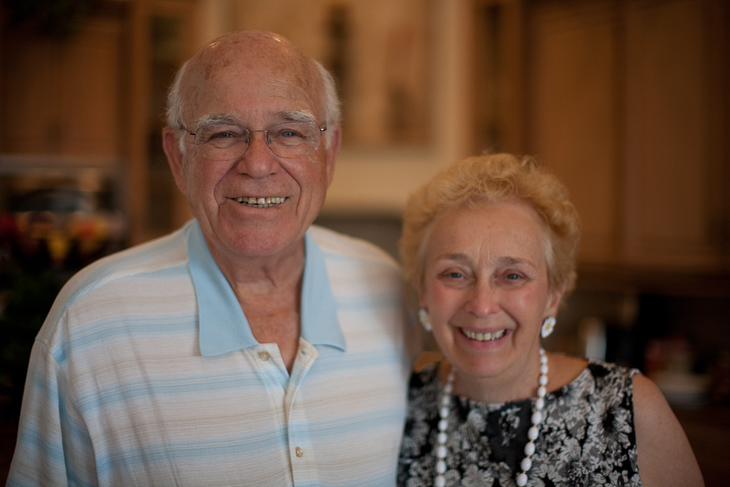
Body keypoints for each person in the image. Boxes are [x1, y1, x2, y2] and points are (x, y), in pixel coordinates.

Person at [8, 30, 411, 486]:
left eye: (289, 132)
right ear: (178, 157)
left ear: (330, 152)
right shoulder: (88, 322)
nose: (258, 164)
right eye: (223, 133)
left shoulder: (387, 289)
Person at [396, 154, 704, 486]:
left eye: (513, 275)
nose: (482, 305)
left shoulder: (627, 409)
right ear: (423, 291)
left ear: (553, 296)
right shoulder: (400, 405)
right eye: (455, 274)